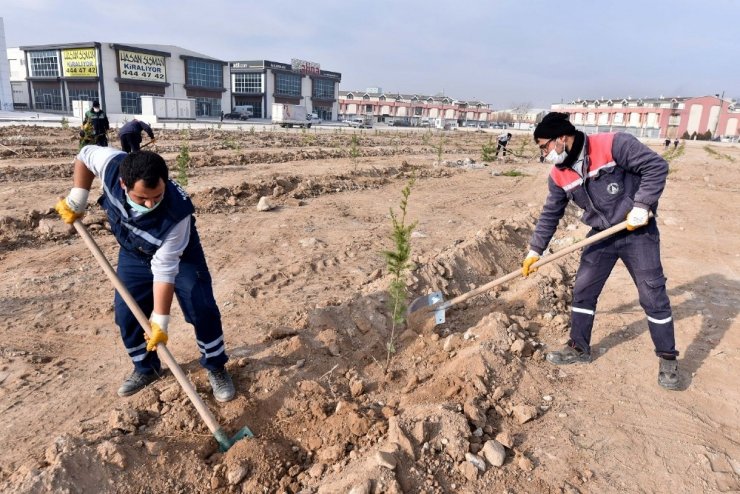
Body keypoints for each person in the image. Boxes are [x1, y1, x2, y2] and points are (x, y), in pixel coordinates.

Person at [54, 146, 236, 401]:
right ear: (123, 184)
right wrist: (78, 196)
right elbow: (84, 155)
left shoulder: (176, 215)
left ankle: (216, 366)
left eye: (157, 196)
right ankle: (146, 368)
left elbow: (165, 269)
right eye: (142, 198)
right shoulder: (110, 166)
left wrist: (160, 321)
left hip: (180, 256)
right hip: (133, 253)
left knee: (201, 306)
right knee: (127, 313)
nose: (151, 203)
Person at [523, 112, 679, 390]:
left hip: (637, 232)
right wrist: (535, 250)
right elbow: (550, 213)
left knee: (652, 293)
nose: (544, 153)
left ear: (561, 138)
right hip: (601, 236)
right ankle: (579, 348)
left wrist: (642, 205)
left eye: (544, 146)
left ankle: (667, 358)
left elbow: (656, 167)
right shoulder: (559, 175)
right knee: (583, 290)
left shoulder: (613, 144)